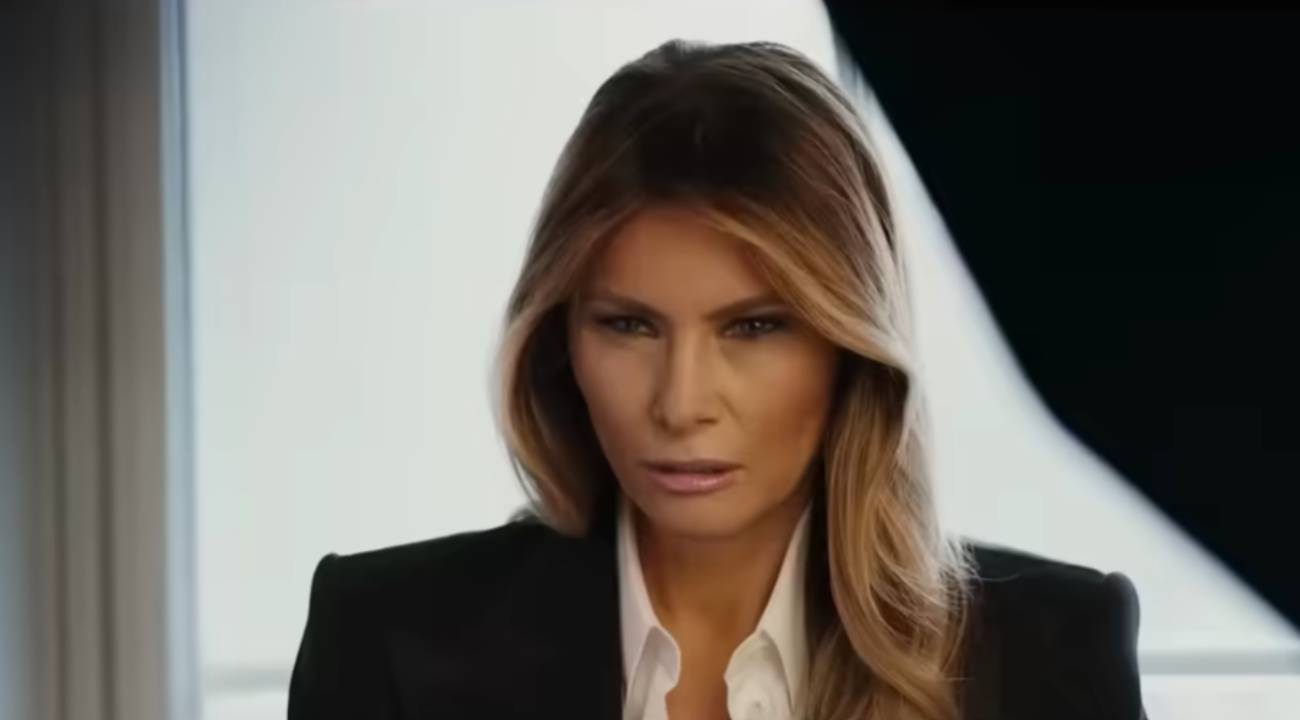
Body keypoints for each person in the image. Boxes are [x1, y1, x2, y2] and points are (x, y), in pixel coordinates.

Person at [287, 39, 1146, 720]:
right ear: (559, 344)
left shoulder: (1048, 653)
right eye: (628, 325)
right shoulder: (384, 639)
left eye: (754, 327)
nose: (681, 403)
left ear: (851, 348)